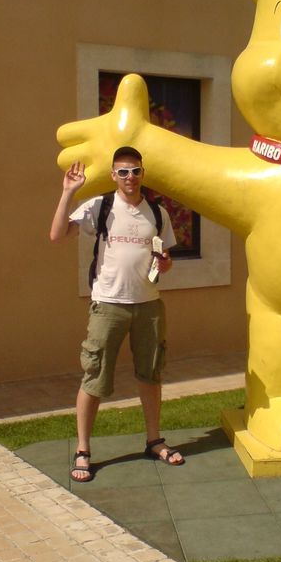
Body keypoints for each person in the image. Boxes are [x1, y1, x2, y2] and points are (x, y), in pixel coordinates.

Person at [50, 146, 184, 482]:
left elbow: (163, 257)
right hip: (108, 304)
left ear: (142, 173)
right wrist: (68, 192)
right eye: (122, 171)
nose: (129, 177)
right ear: (113, 175)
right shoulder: (100, 206)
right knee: (94, 377)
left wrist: (165, 264)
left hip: (149, 305)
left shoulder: (157, 212)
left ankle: (154, 441)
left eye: (135, 171)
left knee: (151, 375)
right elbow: (56, 235)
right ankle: (83, 450)